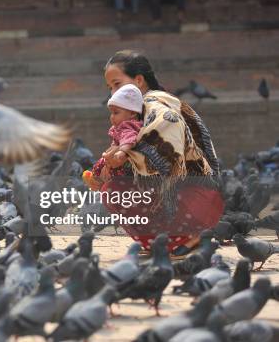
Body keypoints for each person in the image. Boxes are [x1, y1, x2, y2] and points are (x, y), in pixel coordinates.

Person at [94, 50, 223, 255]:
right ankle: (162, 241)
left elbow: (164, 160)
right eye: (110, 87)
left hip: (196, 197)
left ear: (138, 80)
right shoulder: (140, 110)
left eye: (117, 84)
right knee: (112, 184)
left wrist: (117, 162)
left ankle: (190, 235)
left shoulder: (158, 107)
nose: (112, 93)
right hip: (200, 197)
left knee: (115, 190)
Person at [86, 84, 143, 190]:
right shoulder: (121, 126)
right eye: (111, 113)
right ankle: (96, 179)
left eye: (116, 113)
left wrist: (122, 152)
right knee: (103, 164)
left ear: (132, 113)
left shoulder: (128, 125)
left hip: (123, 164)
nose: (112, 117)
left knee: (106, 173)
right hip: (116, 161)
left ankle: (96, 179)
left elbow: (129, 139)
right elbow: (116, 143)